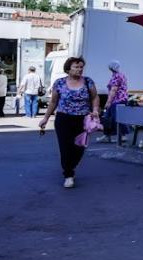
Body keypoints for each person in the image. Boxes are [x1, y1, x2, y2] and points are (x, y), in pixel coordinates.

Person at [39, 57, 100, 189]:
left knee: (79, 148)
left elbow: (95, 96)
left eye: (81, 67)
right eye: (76, 67)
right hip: (63, 119)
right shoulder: (59, 83)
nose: (80, 69)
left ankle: (70, 167)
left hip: (83, 120)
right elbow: (54, 102)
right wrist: (45, 118)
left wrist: (95, 110)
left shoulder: (88, 81)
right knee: (66, 147)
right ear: (68, 69)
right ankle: (68, 175)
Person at [98, 61, 128, 143]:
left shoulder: (117, 76)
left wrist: (108, 102)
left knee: (115, 118)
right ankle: (107, 135)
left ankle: (122, 135)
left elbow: (114, 90)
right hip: (120, 99)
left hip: (117, 100)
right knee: (109, 117)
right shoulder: (120, 75)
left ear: (111, 68)